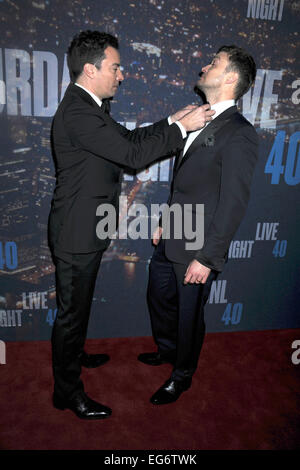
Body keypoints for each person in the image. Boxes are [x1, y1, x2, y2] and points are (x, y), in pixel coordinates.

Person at [48, 30, 214, 420]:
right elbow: (132, 154)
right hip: (75, 232)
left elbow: (129, 138)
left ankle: (75, 355)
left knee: (77, 308)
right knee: (71, 314)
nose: (121, 75)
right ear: (91, 69)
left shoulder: (90, 107)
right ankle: (66, 392)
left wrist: (170, 120)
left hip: (86, 229)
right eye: (115, 67)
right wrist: (180, 129)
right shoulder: (78, 112)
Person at [138, 45, 259, 405]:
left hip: (198, 246)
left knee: (189, 314)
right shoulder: (198, 117)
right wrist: (163, 221)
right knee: (158, 298)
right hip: (172, 234)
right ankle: (168, 350)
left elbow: (232, 203)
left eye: (214, 64)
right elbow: (186, 185)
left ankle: (182, 374)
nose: (204, 66)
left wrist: (208, 258)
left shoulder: (239, 133)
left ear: (231, 78)